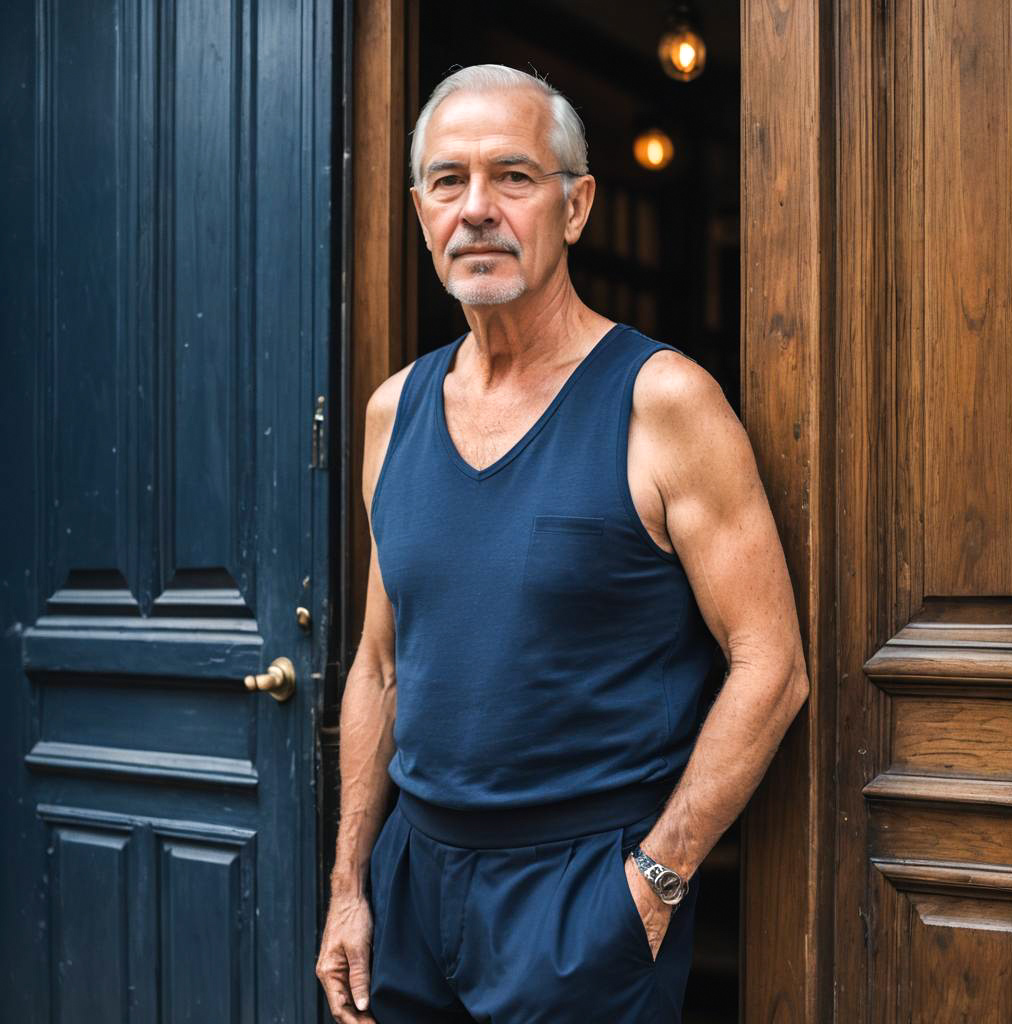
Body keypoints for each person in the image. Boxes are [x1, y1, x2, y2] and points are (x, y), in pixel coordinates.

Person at [316, 63, 809, 1024]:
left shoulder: (661, 401)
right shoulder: (393, 411)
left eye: (513, 176)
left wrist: (653, 882)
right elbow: (379, 667)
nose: (477, 210)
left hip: (581, 892)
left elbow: (772, 665)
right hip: (412, 883)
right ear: (420, 212)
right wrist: (349, 885)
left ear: (577, 207)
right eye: (449, 182)